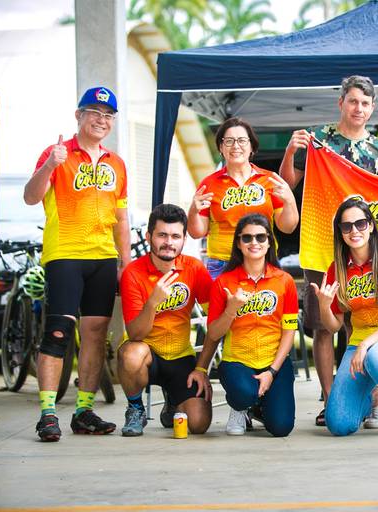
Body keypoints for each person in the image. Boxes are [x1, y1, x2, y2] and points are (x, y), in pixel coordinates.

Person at [280, 75, 378, 427]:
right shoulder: (318, 140)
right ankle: (330, 399)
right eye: (353, 101)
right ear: (341, 102)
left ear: (372, 108)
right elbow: (287, 184)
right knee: (323, 325)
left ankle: (366, 396)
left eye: (365, 103)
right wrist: (290, 151)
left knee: (360, 324)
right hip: (321, 246)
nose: (358, 108)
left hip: (363, 249)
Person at [24, 86, 131, 441]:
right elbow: (30, 197)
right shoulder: (56, 153)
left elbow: (122, 217)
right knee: (58, 332)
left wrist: (126, 262)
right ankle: (48, 413)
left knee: (96, 335)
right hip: (65, 254)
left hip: (103, 257)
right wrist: (50, 166)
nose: (102, 120)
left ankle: (84, 411)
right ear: (78, 116)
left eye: (108, 115)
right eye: (95, 112)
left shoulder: (117, 163)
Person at [187, 116, 298, 431]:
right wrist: (194, 208)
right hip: (221, 264)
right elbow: (197, 231)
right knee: (223, 327)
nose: (235, 146)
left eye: (242, 140)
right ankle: (231, 394)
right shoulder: (210, 183)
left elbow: (287, 226)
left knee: (260, 322)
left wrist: (289, 199)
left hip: (261, 262)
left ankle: (257, 396)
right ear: (221, 147)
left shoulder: (268, 180)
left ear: (252, 147)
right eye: (229, 141)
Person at [310, 199, 378, 436]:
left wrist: (365, 344)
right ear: (340, 232)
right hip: (361, 345)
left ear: (370, 226)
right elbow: (334, 326)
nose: (354, 231)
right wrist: (324, 306)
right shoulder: (337, 268)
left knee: (377, 357)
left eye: (360, 224)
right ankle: (373, 398)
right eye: (346, 226)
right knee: (338, 424)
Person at [118, 204, 213, 436]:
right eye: (162, 235)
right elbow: (135, 334)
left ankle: (173, 402)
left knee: (198, 424)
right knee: (130, 354)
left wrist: (201, 368)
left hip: (181, 356)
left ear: (184, 239)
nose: (169, 242)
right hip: (147, 354)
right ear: (149, 236)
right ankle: (135, 408)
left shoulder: (194, 268)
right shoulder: (133, 273)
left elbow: (215, 321)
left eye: (175, 236)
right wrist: (152, 303)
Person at [201, 214, 298, 437]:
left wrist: (272, 371)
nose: (254, 242)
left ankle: (257, 406)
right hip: (237, 361)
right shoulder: (224, 282)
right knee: (244, 393)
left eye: (260, 237)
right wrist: (231, 310)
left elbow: (289, 331)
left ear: (269, 242)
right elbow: (214, 333)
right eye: (247, 238)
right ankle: (241, 407)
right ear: (238, 243)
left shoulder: (285, 281)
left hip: (274, 361)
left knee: (281, 428)